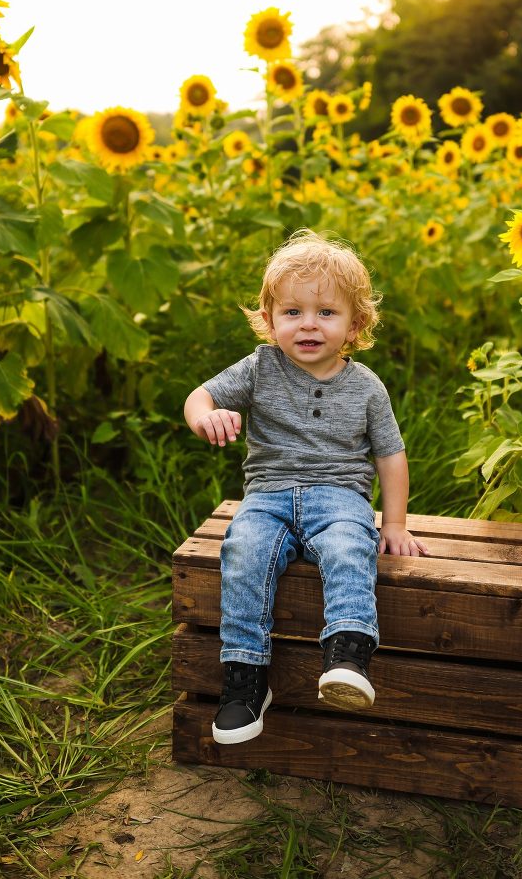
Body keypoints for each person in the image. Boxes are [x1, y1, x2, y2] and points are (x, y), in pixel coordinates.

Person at [183, 229, 427, 746]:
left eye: (326, 313)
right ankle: (245, 681)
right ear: (269, 320)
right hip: (267, 496)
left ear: (355, 323)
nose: (308, 324)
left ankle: (347, 657)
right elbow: (199, 396)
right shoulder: (259, 367)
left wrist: (397, 523)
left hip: (339, 498)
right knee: (244, 551)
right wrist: (207, 417)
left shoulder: (366, 387)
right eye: (292, 312)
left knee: (347, 546)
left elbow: (390, 454)